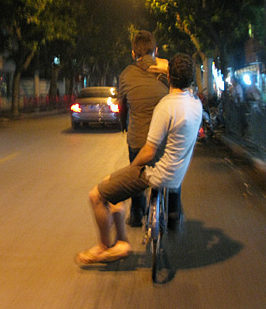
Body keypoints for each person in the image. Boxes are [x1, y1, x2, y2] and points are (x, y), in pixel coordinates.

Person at [76, 53, 203, 266]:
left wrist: (131, 168)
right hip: (176, 177)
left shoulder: (166, 106)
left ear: (169, 75)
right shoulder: (195, 103)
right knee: (114, 186)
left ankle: (104, 247)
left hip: (156, 174)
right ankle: (121, 243)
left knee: (96, 195)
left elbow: (148, 153)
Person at [117, 31, 169, 227]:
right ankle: (173, 213)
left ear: (133, 53)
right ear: (156, 51)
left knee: (136, 173)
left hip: (138, 141)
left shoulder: (126, 75)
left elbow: (122, 106)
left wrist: (123, 125)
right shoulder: (167, 73)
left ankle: (136, 214)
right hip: (164, 142)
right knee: (173, 172)